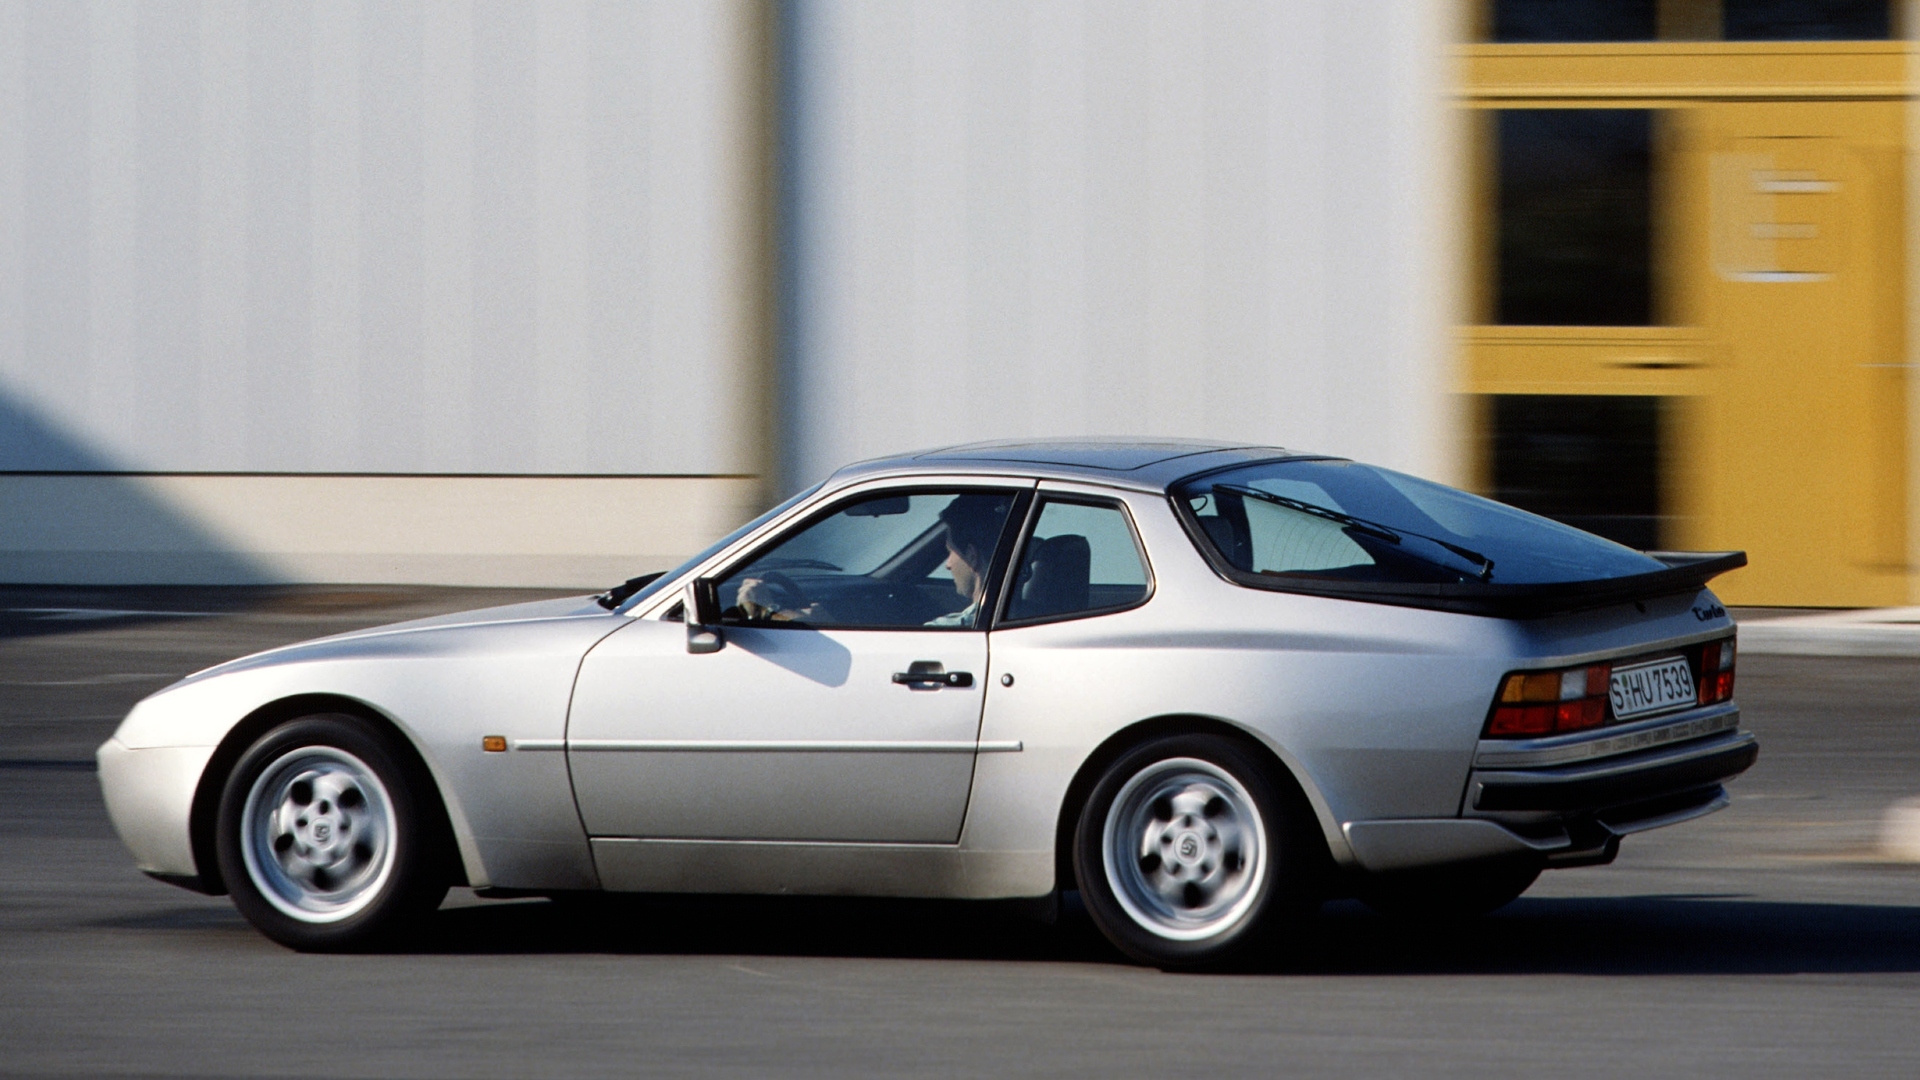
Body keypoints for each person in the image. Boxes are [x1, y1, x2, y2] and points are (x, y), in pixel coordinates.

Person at [923, 495, 1007, 627]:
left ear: (972, 556)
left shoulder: (942, 631)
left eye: (950, 552)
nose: (948, 565)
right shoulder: (1037, 615)